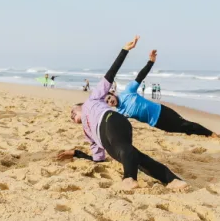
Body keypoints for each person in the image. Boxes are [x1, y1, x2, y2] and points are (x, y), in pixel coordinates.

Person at [58, 36, 187, 192]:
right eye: (70, 117)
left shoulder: (93, 99)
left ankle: (128, 178)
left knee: (124, 150)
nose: (71, 115)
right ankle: (172, 180)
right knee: (135, 158)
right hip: (106, 139)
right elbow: (98, 160)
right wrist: (76, 153)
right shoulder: (87, 133)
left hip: (110, 120)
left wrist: (124, 50)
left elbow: (110, 75)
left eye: (72, 111)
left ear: (80, 105)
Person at [106, 50, 217, 138]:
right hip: (156, 123)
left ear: (112, 93)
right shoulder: (120, 113)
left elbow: (140, 76)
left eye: (109, 97)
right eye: (107, 102)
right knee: (182, 129)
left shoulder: (128, 91)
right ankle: (202, 134)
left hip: (161, 111)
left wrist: (151, 62)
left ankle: (210, 134)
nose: (110, 101)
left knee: (184, 124)